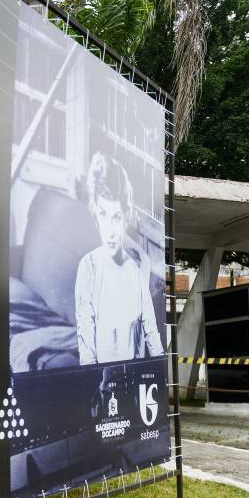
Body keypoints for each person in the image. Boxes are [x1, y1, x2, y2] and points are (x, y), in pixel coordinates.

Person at [75, 154, 164, 365]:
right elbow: (85, 340)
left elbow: (151, 331)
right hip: (101, 383)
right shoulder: (88, 267)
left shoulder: (136, 271)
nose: (110, 231)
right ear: (95, 212)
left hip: (133, 381)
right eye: (103, 214)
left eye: (116, 217)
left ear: (125, 216)